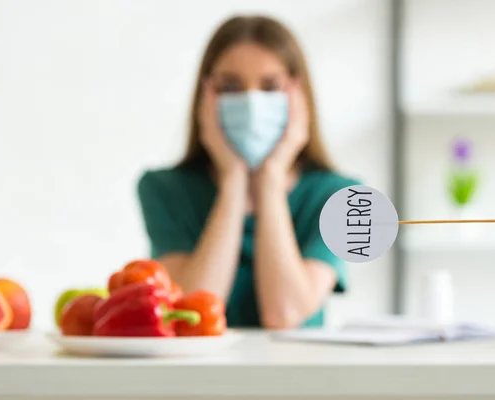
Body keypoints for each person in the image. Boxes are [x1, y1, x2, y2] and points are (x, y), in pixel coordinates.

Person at [137, 15, 360, 329]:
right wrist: (233, 182)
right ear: (206, 95)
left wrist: (270, 181)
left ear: (297, 94)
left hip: (300, 377)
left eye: (270, 86)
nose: (252, 103)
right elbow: (191, 312)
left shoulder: (343, 198)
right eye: (230, 87)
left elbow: (285, 314)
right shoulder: (163, 189)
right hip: (197, 378)